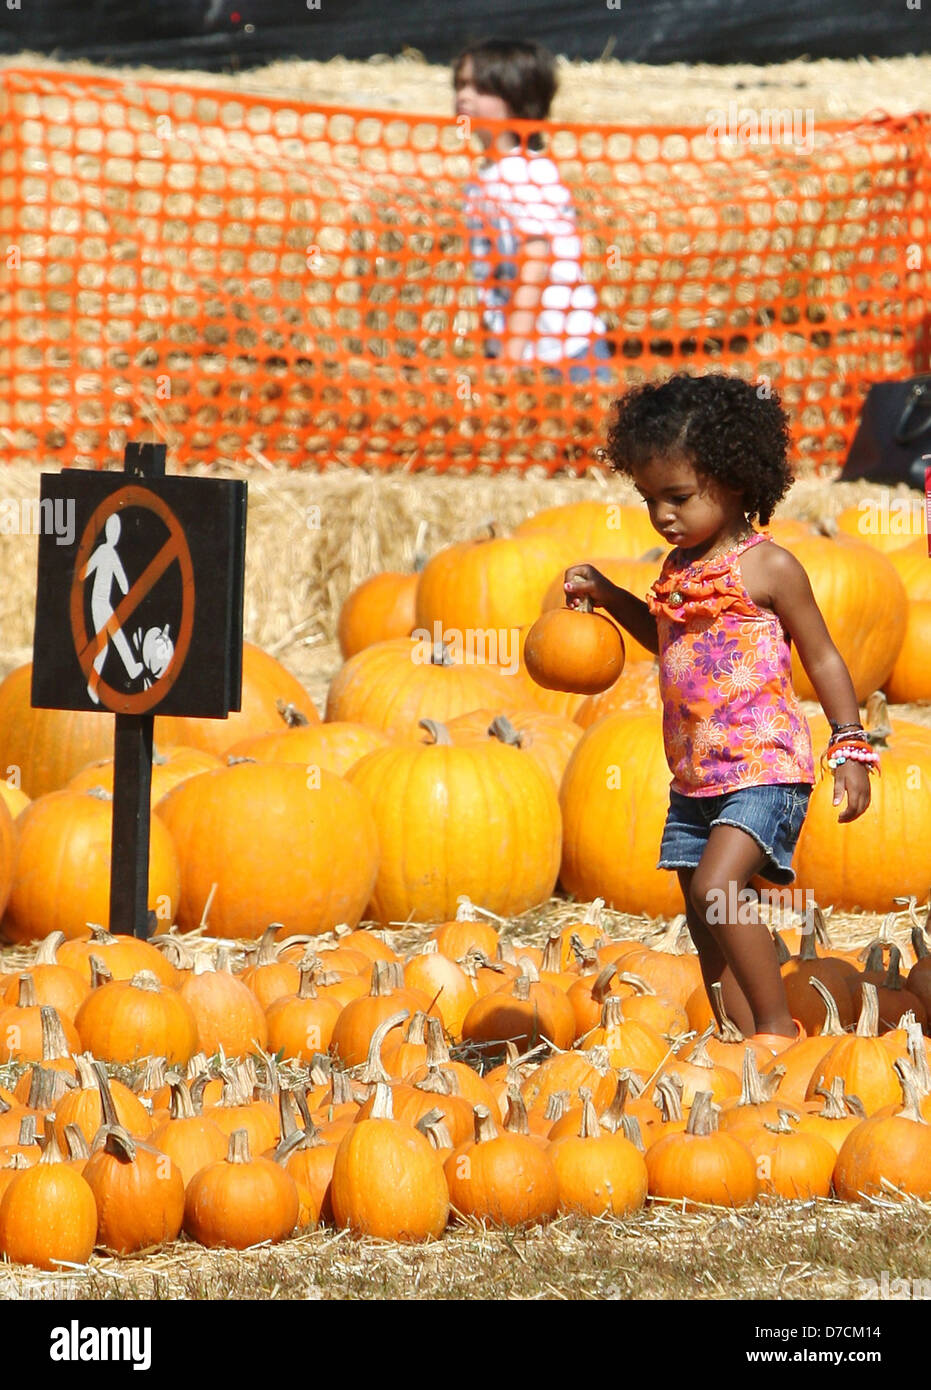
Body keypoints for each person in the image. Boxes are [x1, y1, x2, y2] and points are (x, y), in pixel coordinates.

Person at [564, 372, 876, 1051]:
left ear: (733, 480)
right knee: (701, 913)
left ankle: (774, 1032)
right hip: (695, 776)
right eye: (649, 500)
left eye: (677, 497)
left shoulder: (768, 568)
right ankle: (737, 1043)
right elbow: (663, 641)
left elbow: (821, 657)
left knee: (716, 888)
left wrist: (850, 744)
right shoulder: (675, 571)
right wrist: (613, 595)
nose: (662, 515)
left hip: (763, 767)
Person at [452, 39, 609, 381]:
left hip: (568, 356)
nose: (464, 96)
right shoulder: (486, 178)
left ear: (516, 98)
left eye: (480, 88)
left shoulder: (527, 174)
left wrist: (509, 357)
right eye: (461, 84)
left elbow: (534, 263)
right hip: (528, 352)